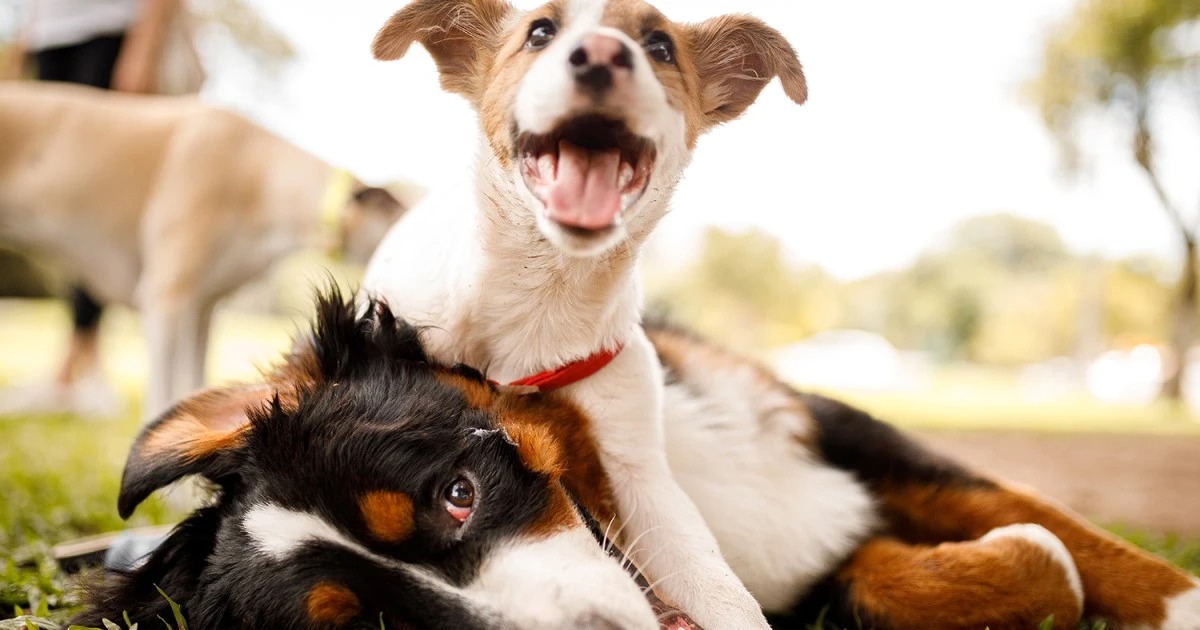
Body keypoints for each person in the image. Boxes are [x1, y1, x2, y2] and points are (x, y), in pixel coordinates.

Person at [2, 0, 183, 417]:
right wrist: (28, 35)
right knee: (61, 207)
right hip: (52, 34)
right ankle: (79, 365)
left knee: (98, 206)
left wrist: (144, 46)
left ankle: (78, 368)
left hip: (110, 30)